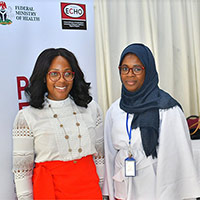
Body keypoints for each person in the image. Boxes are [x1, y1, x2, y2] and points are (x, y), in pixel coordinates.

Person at [102, 43, 200, 200]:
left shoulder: (167, 109)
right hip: (123, 185)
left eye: (137, 69)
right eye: (124, 68)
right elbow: (109, 153)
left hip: (154, 186)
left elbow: (176, 159)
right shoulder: (115, 109)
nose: (130, 74)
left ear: (148, 71)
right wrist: (109, 191)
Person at [12, 48, 104, 200]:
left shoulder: (91, 108)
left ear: (74, 77)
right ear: (43, 77)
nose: (62, 80)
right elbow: (22, 171)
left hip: (90, 190)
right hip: (50, 191)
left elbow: (100, 156)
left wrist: (101, 191)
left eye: (67, 73)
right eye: (54, 74)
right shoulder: (27, 116)